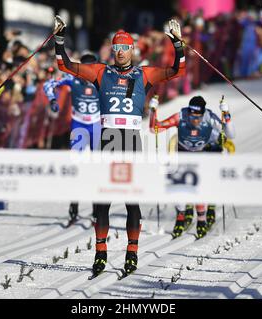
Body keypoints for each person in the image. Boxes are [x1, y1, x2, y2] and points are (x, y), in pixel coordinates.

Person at [53, 16, 186, 277]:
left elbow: (177, 71)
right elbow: (65, 65)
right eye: (117, 48)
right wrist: (59, 39)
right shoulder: (102, 72)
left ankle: (132, 253)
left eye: (125, 48)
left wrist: (177, 44)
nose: (121, 52)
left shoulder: (144, 73)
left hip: (131, 142)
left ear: (132, 50)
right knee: (101, 201)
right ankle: (100, 253)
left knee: (131, 202)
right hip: (107, 141)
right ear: (112, 51)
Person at [149, 95, 236, 238]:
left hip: (201, 155)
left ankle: (201, 220)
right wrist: (153, 110)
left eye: (198, 115)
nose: (194, 118)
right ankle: (181, 217)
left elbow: (230, 134)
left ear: (203, 113)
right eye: (192, 114)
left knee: (199, 187)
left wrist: (226, 114)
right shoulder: (181, 116)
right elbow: (155, 129)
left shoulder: (210, 117)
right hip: (183, 154)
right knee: (179, 190)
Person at [43, 53, 102, 224]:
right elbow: (49, 84)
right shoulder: (71, 77)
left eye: (92, 68)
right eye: (85, 69)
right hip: (79, 127)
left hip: (96, 127)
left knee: (96, 169)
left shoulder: (102, 78)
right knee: (77, 167)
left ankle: (97, 211)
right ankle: (74, 208)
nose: (88, 72)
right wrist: (53, 100)